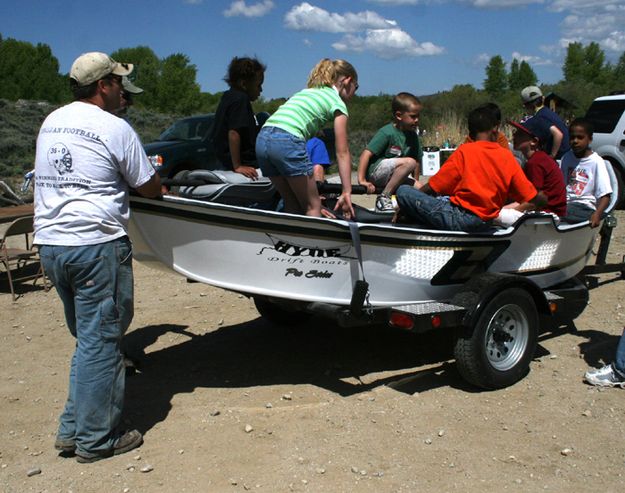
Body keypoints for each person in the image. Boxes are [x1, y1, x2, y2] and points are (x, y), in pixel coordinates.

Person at [33, 52, 161, 463]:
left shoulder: (52, 121)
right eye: (118, 82)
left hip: (52, 244)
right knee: (103, 342)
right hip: (95, 245)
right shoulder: (113, 127)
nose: (122, 89)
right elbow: (150, 188)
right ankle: (96, 439)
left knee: (89, 340)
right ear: (103, 85)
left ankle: (72, 430)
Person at [395, 105, 546, 232]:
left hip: (461, 219)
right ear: (495, 129)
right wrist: (543, 199)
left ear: (470, 132)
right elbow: (530, 196)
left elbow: (434, 187)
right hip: (486, 220)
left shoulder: (465, 151)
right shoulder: (506, 157)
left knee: (404, 191)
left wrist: (410, 201)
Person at [256, 58, 356, 219]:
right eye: (355, 88)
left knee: (292, 202)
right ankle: (312, 244)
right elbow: (342, 152)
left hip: (262, 139)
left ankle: (291, 241)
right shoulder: (337, 102)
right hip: (287, 140)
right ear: (347, 81)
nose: (354, 94)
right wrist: (347, 191)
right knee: (312, 207)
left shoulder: (307, 92)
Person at [357, 92, 423, 212]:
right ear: (399, 116)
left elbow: (417, 162)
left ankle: (398, 207)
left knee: (421, 189)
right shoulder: (387, 132)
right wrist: (362, 180)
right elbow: (365, 155)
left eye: (418, 116)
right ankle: (384, 197)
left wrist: (415, 184)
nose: (417, 120)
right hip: (377, 172)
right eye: (413, 116)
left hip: (396, 175)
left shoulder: (413, 136)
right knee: (409, 162)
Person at [212, 56, 266, 180]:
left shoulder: (228, 97)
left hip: (225, 160)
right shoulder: (240, 99)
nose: (261, 90)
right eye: (258, 85)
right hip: (243, 161)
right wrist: (238, 166)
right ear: (243, 84)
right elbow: (234, 132)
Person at [503, 118, 567, 220]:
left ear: (534, 141)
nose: (514, 136)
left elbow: (533, 201)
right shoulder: (539, 158)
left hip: (549, 213)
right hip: (549, 209)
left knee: (496, 216)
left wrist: (507, 211)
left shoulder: (535, 163)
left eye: (520, 134)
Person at [561, 118, 612, 227]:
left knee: (561, 212)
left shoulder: (596, 162)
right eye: (572, 137)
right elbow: (561, 185)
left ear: (590, 139)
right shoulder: (566, 158)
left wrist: (597, 214)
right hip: (566, 204)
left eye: (580, 137)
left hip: (584, 207)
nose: (575, 141)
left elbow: (606, 195)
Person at [520, 86, 570, 159]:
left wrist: (552, 156)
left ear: (526, 106)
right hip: (568, 154)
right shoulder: (548, 112)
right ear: (543, 99)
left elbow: (558, 134)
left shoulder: (539, 117)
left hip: (560, 157)